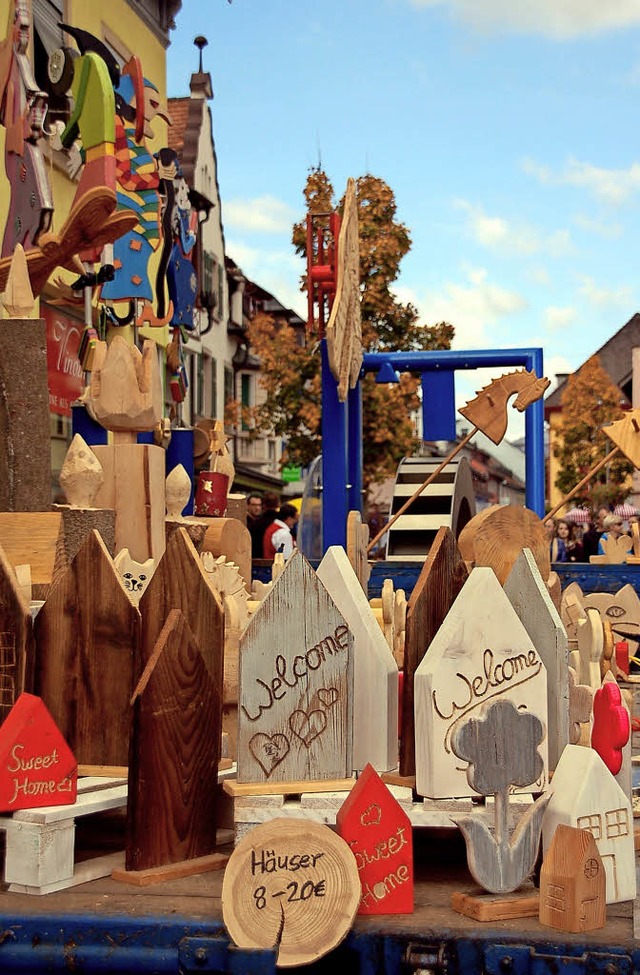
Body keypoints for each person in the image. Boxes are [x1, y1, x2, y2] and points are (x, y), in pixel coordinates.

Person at [246, 493, 264, 559]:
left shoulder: (261, 521)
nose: (257, 508)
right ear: (248, 506)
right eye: (254, 505)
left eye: (259, 505)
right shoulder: (245, 521)